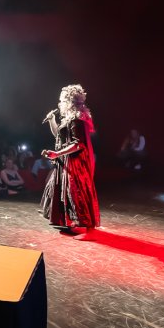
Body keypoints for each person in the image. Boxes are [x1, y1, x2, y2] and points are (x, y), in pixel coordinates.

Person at [40, 84, 100, 232]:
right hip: (67, 160)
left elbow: (78, 144)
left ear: (69, 102)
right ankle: (71, 221)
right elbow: (58, 136)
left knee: (76, 192)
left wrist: (57, 154)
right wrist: (52, 120)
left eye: (62, 101)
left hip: (76, 162)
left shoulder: (78, 119)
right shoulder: (69, 118)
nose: (59, 103)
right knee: (64, 190)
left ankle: (86, 227)